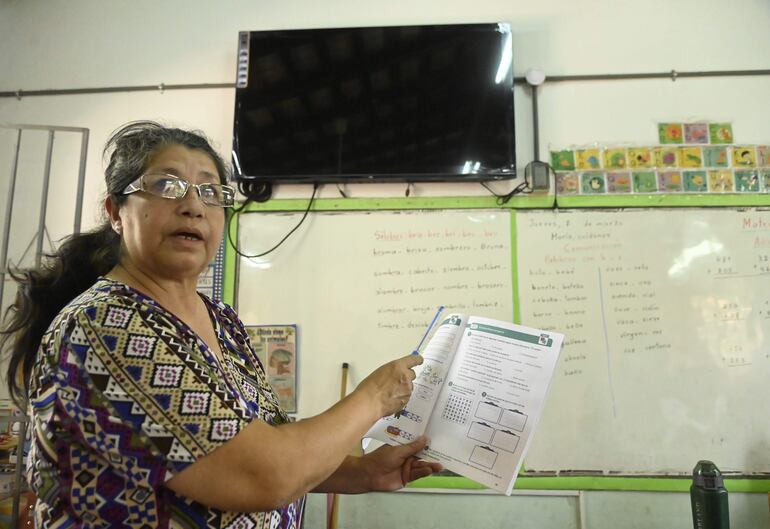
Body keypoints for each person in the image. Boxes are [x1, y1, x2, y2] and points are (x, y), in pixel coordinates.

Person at [1, 121, 442, 528]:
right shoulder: (105, 323)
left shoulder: (222, 321)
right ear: (115, 211)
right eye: (167, 186)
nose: (194, 205)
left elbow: (259, 445)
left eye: (211, 192)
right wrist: (374, 397)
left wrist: (361, 472)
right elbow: (268, 476)